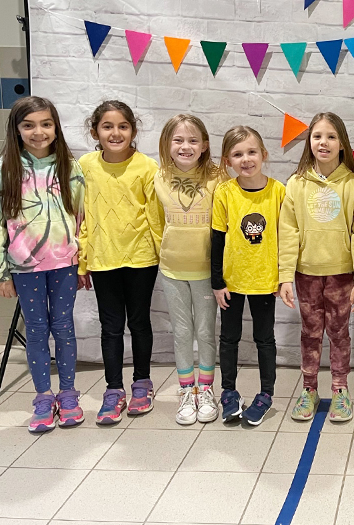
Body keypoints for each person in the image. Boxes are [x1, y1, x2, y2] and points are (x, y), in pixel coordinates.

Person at [0, 96, 85, 433]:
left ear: (55, 127)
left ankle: (68, 395)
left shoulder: (70, 166)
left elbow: (83, 216)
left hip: (65, 264)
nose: (38, 132)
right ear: (17, 129)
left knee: (64, 328)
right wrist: (0, 271)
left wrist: (83, 261)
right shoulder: (2, 172)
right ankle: (43, 397)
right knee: (37, 331)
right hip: (25, 268)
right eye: (29, 125)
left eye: (46, 124)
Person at [279, 112, 354, 422]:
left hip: (342, 275)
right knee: (310, 333)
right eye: (317, 135)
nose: (324, 142)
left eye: (331, 136)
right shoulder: (296, 183)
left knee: (339, 333)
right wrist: (285, 277)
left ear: (342, 144)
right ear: (309, 141)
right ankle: (308, 389)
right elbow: (288, 233)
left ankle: (340, 388)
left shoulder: (353, 184)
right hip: (306, 274)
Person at [78, 101, 163, 425]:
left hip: (141, 258)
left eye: (123, 126)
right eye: (108, 126)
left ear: (133, 131)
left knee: (140, 323)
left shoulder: (146, 167)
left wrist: (161, 257)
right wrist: (83, 261)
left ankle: (142, 383)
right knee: (110, 327)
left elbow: (156, 217)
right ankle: (113, 389)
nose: (116, 133)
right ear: (95, 131)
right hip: (103, 259)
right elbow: (81, 216)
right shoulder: (85, 165)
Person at [153, 114, 227, 425]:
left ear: (205, 145)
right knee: (182, 332)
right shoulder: (157, 177)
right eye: (179, 140)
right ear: (167, 145)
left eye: (193, 140)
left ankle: (207, 389)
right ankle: (187, 391)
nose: (186, 146)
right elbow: (155, 221)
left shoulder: (217, 177)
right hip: (172, 270)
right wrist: (164, 252)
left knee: (205, 332)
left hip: (206, 272)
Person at [212, 126, 286, 426]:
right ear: (228, 160)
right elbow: (217, 239)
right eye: (237, 154)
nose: (246, 159)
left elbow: (287, 238)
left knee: (264, 339)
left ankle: (266, 393)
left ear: (264, 154)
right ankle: (228, 391)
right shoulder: (224, 192)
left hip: (265, 282)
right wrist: (217, 282)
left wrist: (283, 278)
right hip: (231, 282)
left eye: (251, 152)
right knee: (229, 339)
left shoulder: (279, 191)